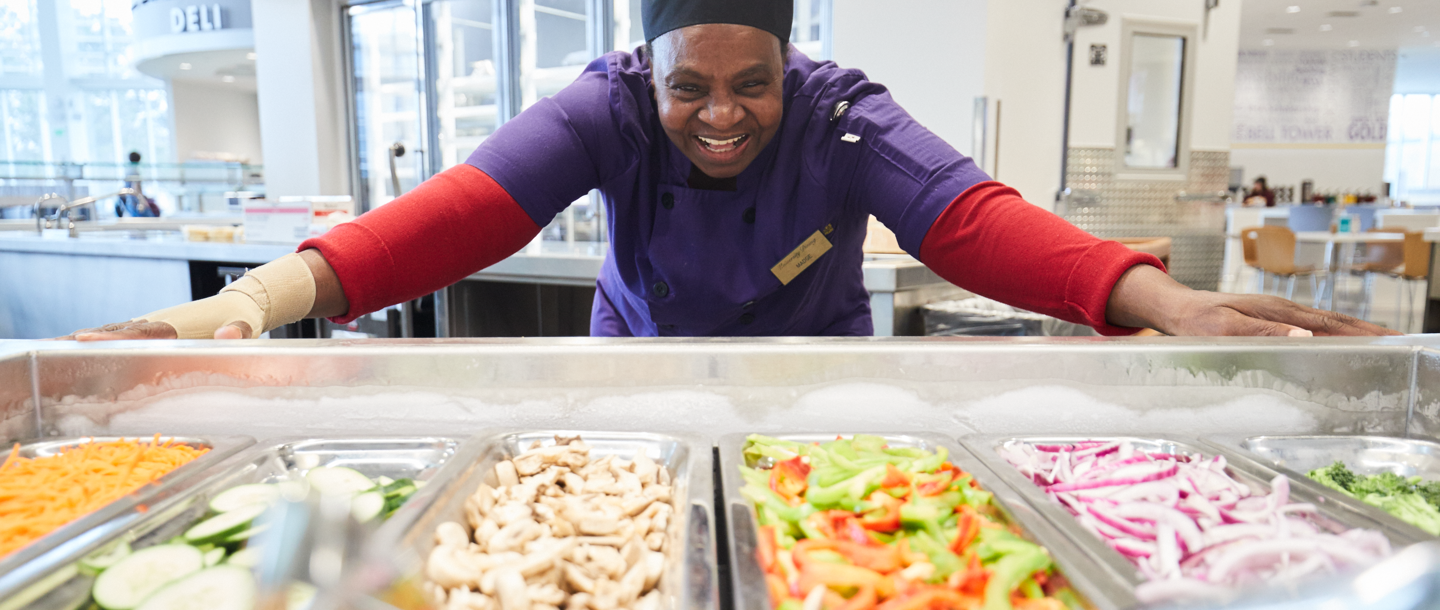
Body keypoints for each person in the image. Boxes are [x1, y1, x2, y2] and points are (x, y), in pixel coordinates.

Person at [64, 0, 1392, 341]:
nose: (719, 116)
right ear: (646, 73)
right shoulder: (603, 109)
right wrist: (239, 304)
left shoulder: (842, 114)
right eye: (689, 88)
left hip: (810, 384)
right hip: (632, 370)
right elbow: (460, 213)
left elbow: (970, 219)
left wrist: (1165, 301)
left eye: (749, 83)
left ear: (789, 59)